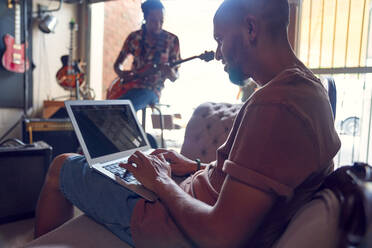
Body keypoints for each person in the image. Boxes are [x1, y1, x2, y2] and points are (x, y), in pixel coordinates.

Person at [34, 0, 341, 247]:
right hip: (183, 195)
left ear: (250, 28)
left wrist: (161, 181)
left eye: (220, 39)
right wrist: (194, 166)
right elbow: (253, 180)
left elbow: (219, 235)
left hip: (163, 221)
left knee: (62, 165)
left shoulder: (276, 105)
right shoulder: (310, 89)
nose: (218, 53)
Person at [110, 0, 181, 111]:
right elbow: (117, 65)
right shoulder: (134, 37)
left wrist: (169, 72)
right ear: (145, 17)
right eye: (153, 21)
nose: (158, 25)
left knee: (124, 108)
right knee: (106, 108)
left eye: (161, 21)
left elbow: (175, 76)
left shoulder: (172, 40)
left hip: (152, 90)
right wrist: (122, 74)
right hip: (128, 87)